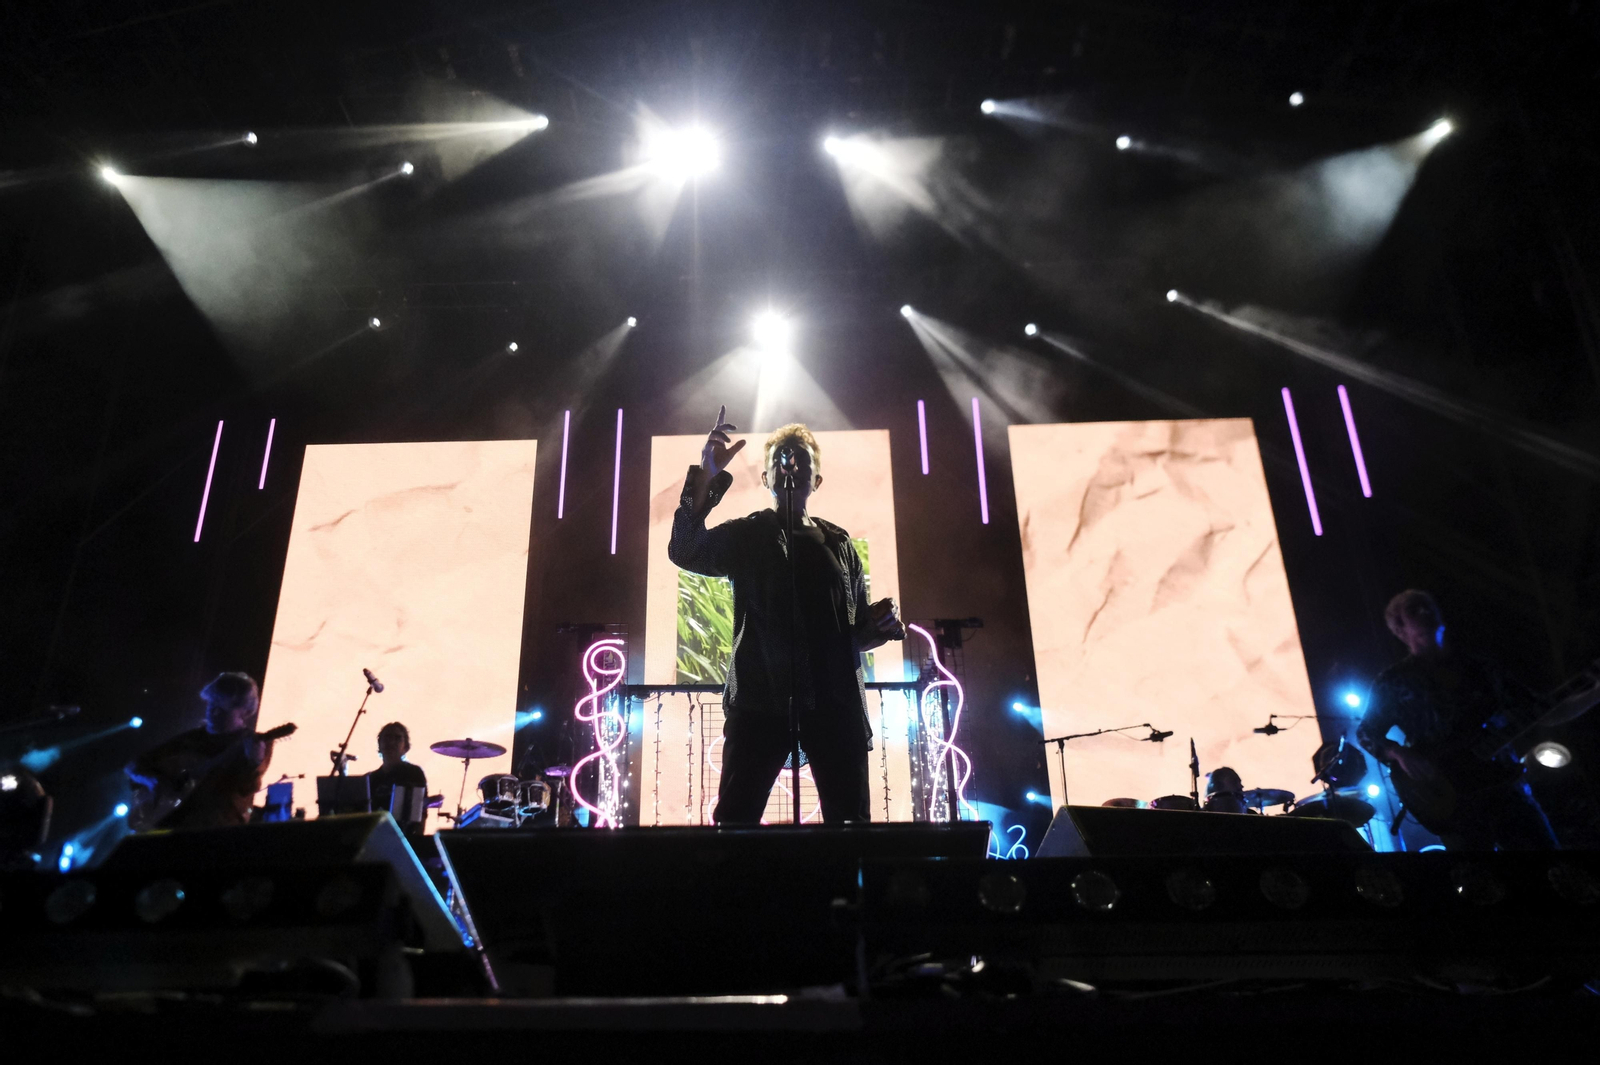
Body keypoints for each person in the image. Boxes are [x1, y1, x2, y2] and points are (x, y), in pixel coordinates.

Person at [669, 407, 905, 824]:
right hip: (762, 701)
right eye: (781, 459)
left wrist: (879, 628)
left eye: (801, 459)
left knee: (850, 824)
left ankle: (846, 890)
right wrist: (702, 484)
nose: (791, 465)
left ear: (816, 480)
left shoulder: (839, 543)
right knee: (736, 820)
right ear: (766, 479)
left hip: (835, 705)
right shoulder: (748, 534)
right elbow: (686, 550)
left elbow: (855, 636)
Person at [1356, 590, 1558, 850]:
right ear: (1400, 629)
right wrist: (1399, 753)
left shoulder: (1482, 667)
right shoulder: (1393, 681)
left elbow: (1541, 710)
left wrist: (1591, 693)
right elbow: (1366, 732)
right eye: (1414, 610)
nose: (1425, 612)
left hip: (1504, 785)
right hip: (1451, 798)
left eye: (1428, 606)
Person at [126, 672, 278, 830]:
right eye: (212, 704)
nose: (213, 712)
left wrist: (253, 762)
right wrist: (153, 781)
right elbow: (134, 766)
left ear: (244, 712)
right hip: (176, 824)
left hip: (220, 829)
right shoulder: (190, 739)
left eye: (223, 708)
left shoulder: (258, 743)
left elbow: (247, 788)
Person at [366, 722, 427, 821]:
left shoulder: (414, 773)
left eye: (397, 738)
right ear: (379, 744)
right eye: (387, 737)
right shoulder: (370, 779)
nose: (391, 742)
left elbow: (419, 815)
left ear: (406, 747)